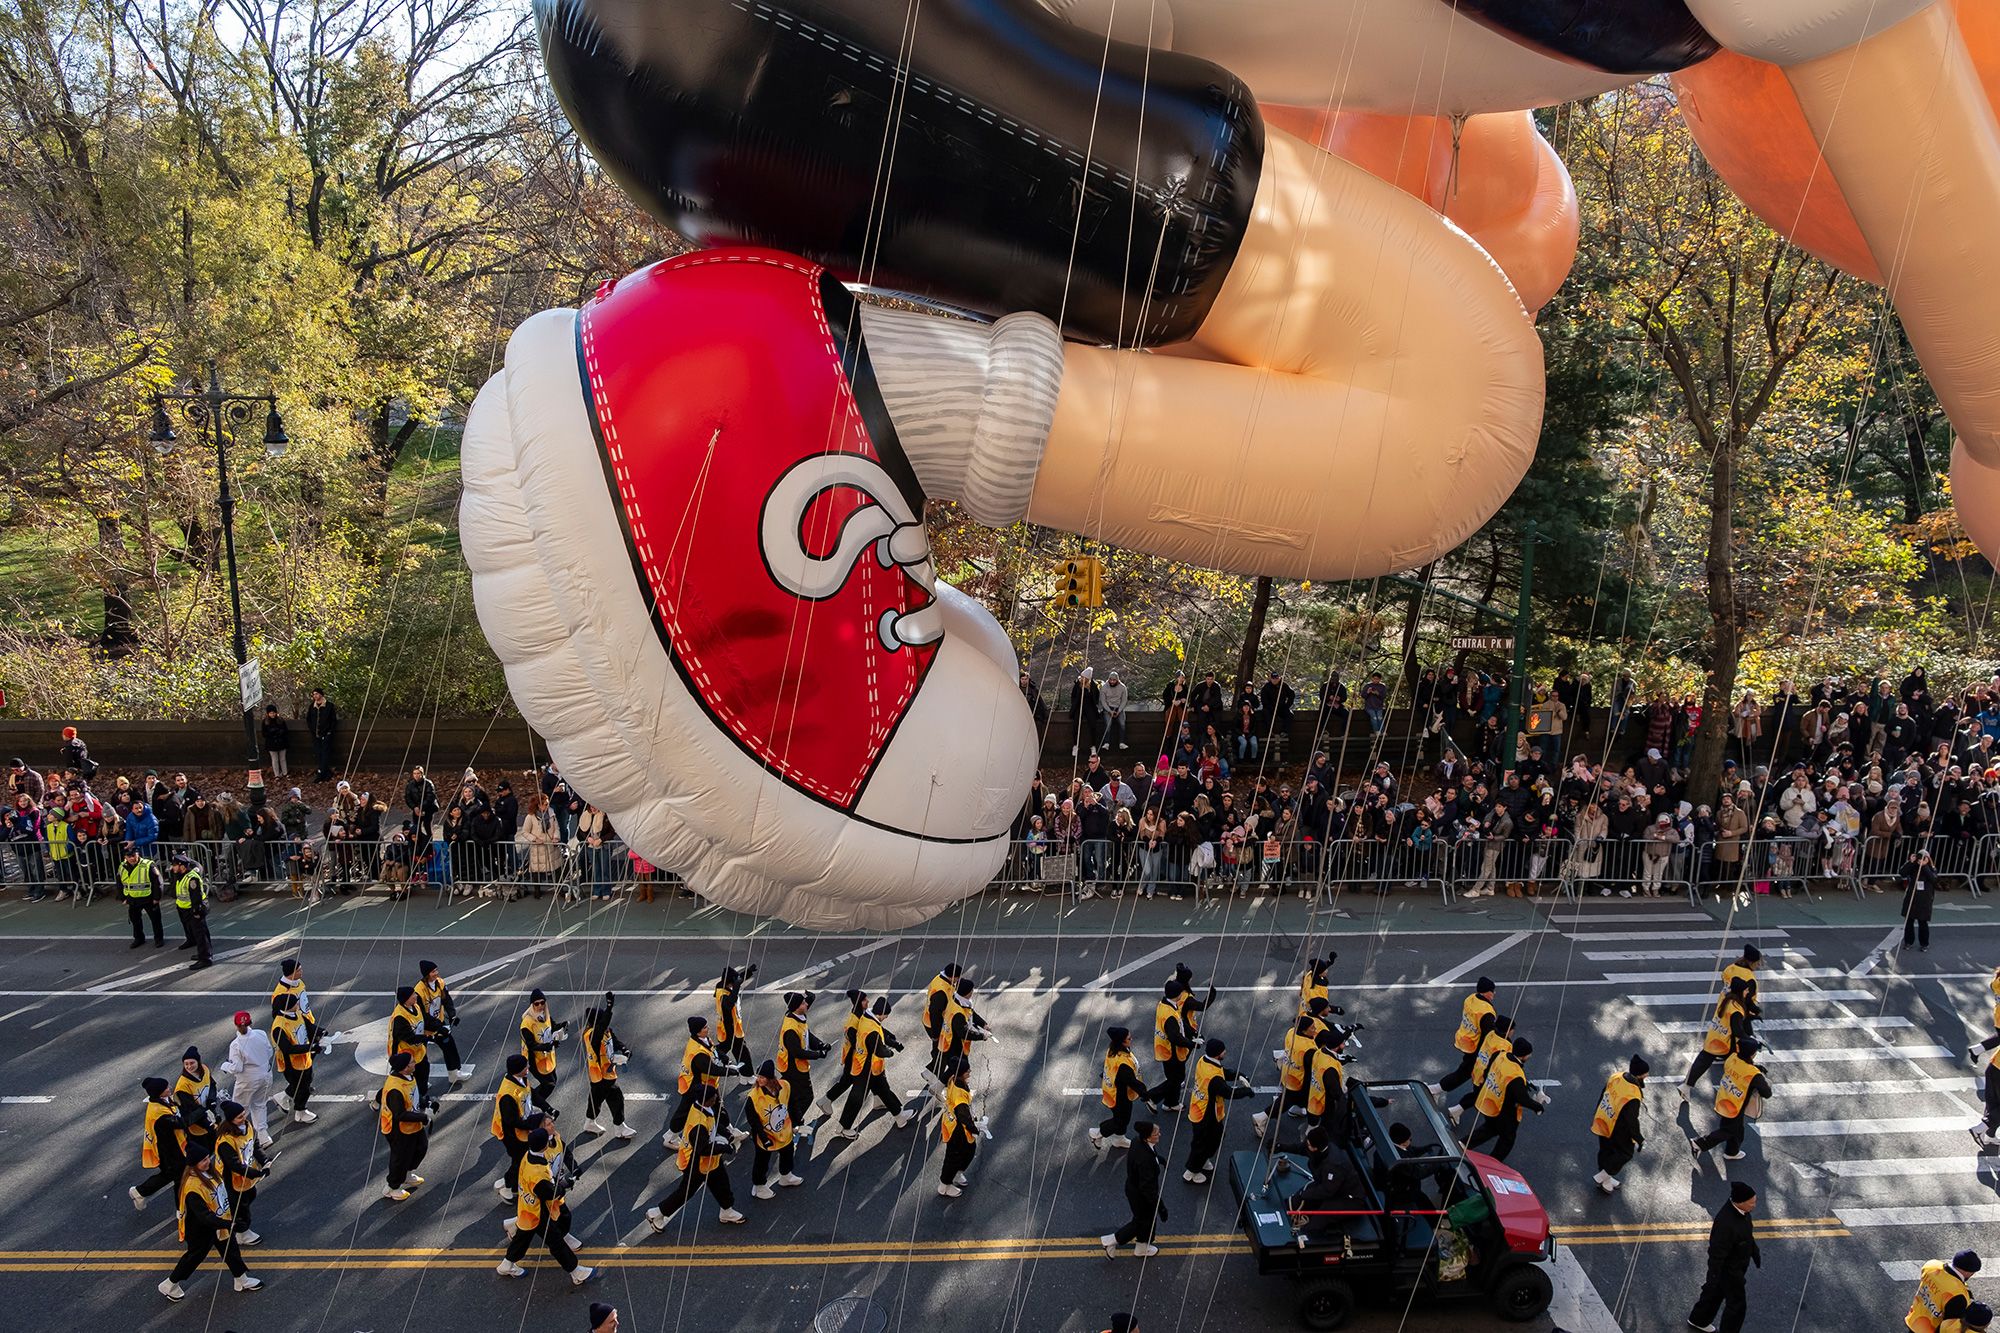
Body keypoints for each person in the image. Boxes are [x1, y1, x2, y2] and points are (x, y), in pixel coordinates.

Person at [157, 1144, 261, 1301]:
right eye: (203, 1160)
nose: (208, 1162)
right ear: (193, 1165)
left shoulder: (209, 1174)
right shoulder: (193, 1187)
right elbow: (204, 1216)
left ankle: (241, 1279)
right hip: (201, 1229)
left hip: (218, 1223)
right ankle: (170, 1284)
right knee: (195, 1257)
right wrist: (228, 1224)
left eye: (207, 1158)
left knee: (230, 1249)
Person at [497, 1126, 594, 1284]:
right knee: (555, 1241)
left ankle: (506, 1264)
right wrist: (565, 1185)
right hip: (537, 1211)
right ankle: (576, 1271)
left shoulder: (527, 1156)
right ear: (545, 1146)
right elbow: (550, 1193)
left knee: (523, 1238)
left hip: (528, 1207)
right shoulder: (538, 1171)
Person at [646, 1084, 746, 1227]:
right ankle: (657, 1213)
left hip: (709, 1161)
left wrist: (728, 1136)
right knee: (686, 1192)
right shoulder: (699, 1125)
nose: (717, 1097)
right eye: (714, 1097)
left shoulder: (702, 1107)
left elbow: (714, 1124)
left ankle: (727, 1210)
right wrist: (725, 1147)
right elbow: (704, 1149)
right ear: (707, 1100)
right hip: (696, 1162)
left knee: (722, 1183)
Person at [1686, 1181, 1760, 1333]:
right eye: (1751, 1202)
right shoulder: (1726, 1224)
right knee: (1737, 1305)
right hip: (1730, 1270)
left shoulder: (1743, 1212)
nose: (1754, 1205)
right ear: (1739, 1202)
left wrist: (1754, 1252)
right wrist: (1713, 1276)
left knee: (1715, 1294)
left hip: (1735, 1265)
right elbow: (1716, 1254)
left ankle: (1698, 1319)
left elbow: (1747, 1235)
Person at [836, 995, 913, 1137]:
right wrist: (890, 1053)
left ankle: (899, 1116)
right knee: (857, 1098)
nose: (886, 1018)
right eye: (886, 1015)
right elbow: (879, 1050)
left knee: (884, 1090)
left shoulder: (868, 1017)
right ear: (881, 1014)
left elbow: (881, 1033)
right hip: (866, 1068)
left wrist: (893, 1043)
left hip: (869, 1066)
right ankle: (843, 1128)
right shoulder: (872, 1030)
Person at [1182, 1038, 1253, 1183]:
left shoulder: (1204, 1061)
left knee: (1213, 1137)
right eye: (1223, 1051)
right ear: (1217, 1054)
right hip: (1207, 1114)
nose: (1225, 1052)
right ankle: (1191, 1172)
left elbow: (1222, 1072)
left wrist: (1238, 1075)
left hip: (1199, 1108)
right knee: (1204, 1142)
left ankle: (1201, 1161)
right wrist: (1246, 1091)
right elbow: (1228, 1092)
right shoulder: (1213, 1077)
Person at [1691, 1037, 1772, 1164]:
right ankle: (1700, 1144)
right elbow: (1766, 1093)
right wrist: (1760, 1075)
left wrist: (1756, 1068)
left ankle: (1731, 1152)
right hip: (1736, 1106)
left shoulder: (1732, 1058)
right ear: (1753, 1054)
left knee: (1737, 1129)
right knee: (1729, 1130)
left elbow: (1741, 1068)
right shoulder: (1753, 1074)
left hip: (1725, 1096)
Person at [1466, 1037, 1546, 1162]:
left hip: (1490, 1099)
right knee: (1507, 1140)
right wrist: (1538, 1107)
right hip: (1504, 1112)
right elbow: (1522, 1099)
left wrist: (1524, 1085)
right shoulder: (1516, 1074)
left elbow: (1489, 1072)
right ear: (1524, 1056)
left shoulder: (1500, 1055)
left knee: (1489, 1129)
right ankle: (1493, 1163)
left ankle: (1463, 1144)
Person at [1681, 977, 1755, 1101]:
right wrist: (1751, 1040)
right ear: (1740, 991)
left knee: (1703, 1061)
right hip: (1726, 1042)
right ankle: (1746, 1089)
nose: (1747, 992)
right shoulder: (1736, 1010)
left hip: (1715, 1035)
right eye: (1746, 990)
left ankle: (1686, 1085)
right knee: (1740, 1063)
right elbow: (1737, 1031)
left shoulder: (1725, 997)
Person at [1101, 1120, 1164, 1258]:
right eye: (1156, 1133)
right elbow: (1148, 1188)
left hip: (1133, 1188)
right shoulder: (1146, 1160)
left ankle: (1142, 1247)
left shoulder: (1137, 1141)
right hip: (1141, 1195)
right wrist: (1161, 1207)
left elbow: (1147, 1156)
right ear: (1148, 1137)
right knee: (1142, 1221)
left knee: (1146, 1220)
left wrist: (1158, 1159)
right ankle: (1111, 1240)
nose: (1159, 1134)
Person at [746, 1060, 805, 1199]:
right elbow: (753, 1121)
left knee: (788, 1151)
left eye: (762, 1077)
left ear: (770, 1078)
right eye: (758, 1076)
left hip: (784, 1131)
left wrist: (798, 1121)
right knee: (762, 1160)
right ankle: (759, 1186)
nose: (759, 1079)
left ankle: (786, 1175)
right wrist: (764, 1138)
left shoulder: (785, 1086)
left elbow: (792, 1103)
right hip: (765, 1136)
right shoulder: (753, 1097)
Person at [1429, 976, 1497, 1098]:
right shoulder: (1486, 1011)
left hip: (1465, 1039)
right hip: (1476, 1047)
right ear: (1487, 992)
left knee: (1468, 1071)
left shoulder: (1470, 999)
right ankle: (1436, 1090)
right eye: (1492, 991)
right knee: (1466, 1072)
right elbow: (1489, 1034)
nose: (1494, 994)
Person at [213, 1100, 269, 1246]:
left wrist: (265, 1161)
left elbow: (254, 1145)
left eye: (243, 1114)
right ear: (231, 1120)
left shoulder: (247, 1126)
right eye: (239, 1117)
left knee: (250, 1195)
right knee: (239, 1205)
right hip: (230, 1178)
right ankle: (241, 1232)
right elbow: (234, 1166)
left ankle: (236, 1225)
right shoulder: (226, 1140)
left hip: (245, 1174)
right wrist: (255, 1173)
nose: (243, 1118)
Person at [1589, 1055, 1648, 1194]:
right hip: (1618, 1128)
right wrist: (1639, 1138)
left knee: (1605, 1150)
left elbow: (1604, 1093)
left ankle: (1606, 1180)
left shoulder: (1617, 1076)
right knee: (1625, 1153)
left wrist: (1598, 1112)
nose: (1647, 1075)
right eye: (1645, 1073)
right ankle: (1604, 1175)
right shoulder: (1633, 1094)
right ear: (1639, 1075)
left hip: (1604, 1118)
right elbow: (1631, 1121)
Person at [666, 1015, 727, 1148]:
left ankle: (727, 1131)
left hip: (705, 1083)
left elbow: (713, 1050)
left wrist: (723, 1057)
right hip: (692, 1084)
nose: (708, 1028)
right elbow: (712, 1069)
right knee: (684, 1111)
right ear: (698, 1031)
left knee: (717, 1106)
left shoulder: (704, 1039)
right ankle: (670, 1137)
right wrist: (731, 1071)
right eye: (705, 1027)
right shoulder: (697, 1051)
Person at [775, 991, 833, 1130]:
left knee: (793, 1095)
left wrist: (820, 1044)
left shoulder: (798, 1016)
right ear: (796, 1006)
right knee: (806, 1096)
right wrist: (818, 1054)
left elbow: (806, 1034)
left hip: (791, 1065)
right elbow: (797, 1053)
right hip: (793, 1067)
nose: (806, 1004)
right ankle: (793, 1121)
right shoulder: (790, 1029)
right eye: (803, 1003)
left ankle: (789, 1118)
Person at [379, 1050, 432, 1200]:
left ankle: (407, 1174)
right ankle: (392, 1187)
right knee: (400, 1157)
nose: (415, 1063)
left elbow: (413, 1095)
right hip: (398, 1129)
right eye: (412, 1062)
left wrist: (425, 1103)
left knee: (421, 1147)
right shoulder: (395, 1089)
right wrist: (423, 1117)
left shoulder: (408, 1076)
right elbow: (400, 1115)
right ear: (404, 1068)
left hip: (412, 1124)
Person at [581, 996, 635, 1138]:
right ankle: (619, 1128)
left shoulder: (605, 1030)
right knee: (614, 1098)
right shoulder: (592, 1035)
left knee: (598, 1099)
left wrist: (625, 1050)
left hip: (606, 1073)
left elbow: (615, 1041)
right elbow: (602, 1026)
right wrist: (610, 1007)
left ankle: (592, 1122)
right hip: (600, 1075)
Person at [221, 1010, 276, 1148]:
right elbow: (270, 1051)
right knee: (260, 1104)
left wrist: (226, 1065)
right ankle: (263, 1136)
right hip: (266, 1074)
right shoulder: (261, 1034)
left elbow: (237, 1068)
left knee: (239, 1109)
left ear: (236, 1025)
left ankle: (239, 1137)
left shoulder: (236, 1044)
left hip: (247, 1079)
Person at [130, 1077, 185, 1210]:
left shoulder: (162, 1102)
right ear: (159, 1092)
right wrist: (199, 1113)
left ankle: (140, 1192)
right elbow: (180, 1123)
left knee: (171, 1175)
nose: (170, 1088)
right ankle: (181, 1209)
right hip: (168, 1151)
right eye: (166, 1088)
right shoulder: (158, 1112)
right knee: (179, 1176)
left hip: (171, 1147)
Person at [269, 991, 321, 1126]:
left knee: (307, 1080)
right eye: (295, 1002)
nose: (298, 1003)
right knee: (301, 1086)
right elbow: (287, 1049)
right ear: (289, 1006)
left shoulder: (297, 1014)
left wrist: (320, 1031)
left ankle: (283, 1097)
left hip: (304, 1058)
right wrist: (310, 1048)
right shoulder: (279, 1026)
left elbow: (308, 1026)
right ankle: (300, 1111)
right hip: (291, 1064)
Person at [936, 1058, 986, 1197]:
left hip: (953, 1123)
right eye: (967, 1070)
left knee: (969, 1150)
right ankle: (944, 1185)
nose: (970, 1071)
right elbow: (963, 1116)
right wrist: (975, 1129)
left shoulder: (954, 1078)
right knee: (954, 1156)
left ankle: (957, 1173)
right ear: (961, 1073)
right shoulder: (959, 1095)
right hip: (956, 1129)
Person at [1091, 1026, 1145, 1149]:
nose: (1131, 1039)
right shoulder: (1123, 1063)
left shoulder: (1113, 1049)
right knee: (1121, 1120)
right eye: (1129, 1038)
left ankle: (1119, 1139)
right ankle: (1097, 1133)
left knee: (1122, 1118)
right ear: (1121, 1041)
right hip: (1119, 1094)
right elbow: (1131, 1081)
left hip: (1112, 1090)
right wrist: (1145, 1094)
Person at [491, 1054, 535, 1203]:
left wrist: (547, 1107)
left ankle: (508, 1182)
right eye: (525, 1066)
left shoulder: (521, 1079)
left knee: (520, 1159)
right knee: (520, 1160)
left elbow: (531, 1092)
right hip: (511, 1134)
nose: (528, 1068)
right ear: (518, 1070)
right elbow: (511, 1121)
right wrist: (532, 1124)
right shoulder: (508, 1094)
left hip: (521, 1129)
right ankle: (506, 1186)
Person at [1908, 1251, 1982, 1333]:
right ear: (1968, 1272)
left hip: (1913, 1320)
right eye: (1973, 1272)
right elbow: (1949, 1326)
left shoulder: (1931, 1266)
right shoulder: (1958, 1295)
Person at [520, 988, 568, 1111]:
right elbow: (531, 1045)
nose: (540, 1006)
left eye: (542, 1002)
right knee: (549, 1084)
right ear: (532, 1004)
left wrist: (562, 1026)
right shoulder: (527, 1023)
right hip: (534, 1059)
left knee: (552, 1081)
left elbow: (552, 1027)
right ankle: (534, 1104)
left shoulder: (545, 1015)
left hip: (547, 1057)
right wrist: (548, 1046)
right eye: (537, 1003)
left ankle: (532, 1101)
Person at [388, 985, 434, 1108]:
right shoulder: (400, 1017)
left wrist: (439, 1026)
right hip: (404, 1055)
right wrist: (429, 1037)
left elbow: (425, 1019)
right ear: (406, 999)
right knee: (403, 1081)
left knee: (423, 1071)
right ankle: (379, 1099)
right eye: (413, 994)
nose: (416, 996)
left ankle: (421, 1097)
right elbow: (409, 1038)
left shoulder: (416, 1006)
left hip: (418, 1051)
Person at [120, 842, 165, 949]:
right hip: (132, 898)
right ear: (125, 857)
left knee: (155, 920)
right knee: (135, 920)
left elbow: (158, 882)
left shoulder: (148, 864)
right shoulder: (122, 866)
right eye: (129, 856)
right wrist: (123, 897)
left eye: (133, 855)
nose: (132, 858)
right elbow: (120, 883)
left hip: (148, 898)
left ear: (138, 854)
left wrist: (156, 898)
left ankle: (159, 939)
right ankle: (139, 938)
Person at [713, 964, 756, 1070]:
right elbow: (729, 1004)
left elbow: (738, 979)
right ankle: (747, 1073)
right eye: (734, 982)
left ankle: (746, 1074)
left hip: (732, 1026)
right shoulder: (723, 994)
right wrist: (736, 987)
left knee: (736, 1049)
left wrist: (748, 972)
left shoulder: (723, 985)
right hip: (729, 1028)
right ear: (729, 981)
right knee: (740, 1050)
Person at [1903, 849, 1941, 952]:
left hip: (1924, 899)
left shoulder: (1931, 868)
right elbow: (1902, 873)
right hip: (1912, 896)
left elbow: (1934, 879)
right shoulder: (1913, 867)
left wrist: (1924, 866)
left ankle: (1924, 943)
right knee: (1909, 921)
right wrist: (1911, 862)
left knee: (1923, 922)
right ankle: (1908, 941)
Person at [304, 688, 338, 781]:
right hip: (316, 735)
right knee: (319, 754)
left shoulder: (329, 706)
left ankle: (321, 774)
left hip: (326, 734)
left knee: (325, 754)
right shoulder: (312, 706)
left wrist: (329, 732)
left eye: (317, 694)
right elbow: (309, 719)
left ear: (321, 695)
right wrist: (312, 730)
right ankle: (325, 773)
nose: (315, 696)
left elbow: (333, 720)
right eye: (314, 694)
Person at [260, 705, 290, 777]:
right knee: (274, 759)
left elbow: (286, 730)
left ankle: (285, 773)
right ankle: (276, 774)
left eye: (273, 713)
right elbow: (264, 733)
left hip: (281, 742)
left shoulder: (281, 720)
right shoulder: (265, 722)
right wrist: (271, 733)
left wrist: (280, 732)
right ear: (268, 714)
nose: (272, 714)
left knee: (282, 759)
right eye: (270, 713)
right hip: (271, 743)